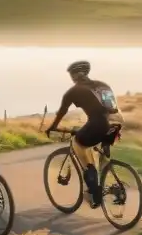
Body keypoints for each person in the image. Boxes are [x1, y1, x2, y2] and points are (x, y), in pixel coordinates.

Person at [44, 60, 120, 207]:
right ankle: (112, 184)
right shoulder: (103, 85)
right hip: (115, 122)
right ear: (86, 72)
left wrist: (52, 127)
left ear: (73, 76)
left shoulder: (73, 91)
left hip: (98, 123)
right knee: (102, 152)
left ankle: (94, 193)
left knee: (78, 142)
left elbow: (62, 111)